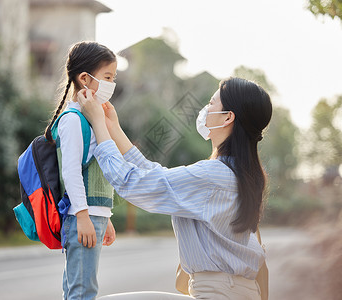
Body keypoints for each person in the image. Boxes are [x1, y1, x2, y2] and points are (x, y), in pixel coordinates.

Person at [78, 77, 272, 300]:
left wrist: (98, 124)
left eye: (211, 103)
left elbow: (133, 183)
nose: (206, 109)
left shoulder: (213, 175)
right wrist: (113, 128)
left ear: (228, 117)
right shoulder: (243, 175)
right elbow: (156, 176)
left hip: (216, 293)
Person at [44, 41, 118, 300]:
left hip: (92, 214)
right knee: (82, 291)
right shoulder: (73, 119)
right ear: (85, 78)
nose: (112, 83)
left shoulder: (88, 118)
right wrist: (84, 216)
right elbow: (72, 173)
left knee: (79, 288)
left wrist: (105, 216)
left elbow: (96, 172)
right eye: (107, 77)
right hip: (81, 216)